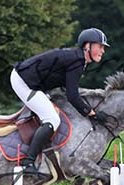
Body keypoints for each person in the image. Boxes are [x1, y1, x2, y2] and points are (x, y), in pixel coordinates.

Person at [10, 28, 111, 175]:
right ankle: (28, 162)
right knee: (52, 119)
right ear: (87, 46)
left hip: (32, 82)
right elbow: (72, 95)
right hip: (24, 82)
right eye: (100, 46)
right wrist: (92, 113)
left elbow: (69, 89)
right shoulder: (77, 60)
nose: (103, 51)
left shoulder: (78, 59)